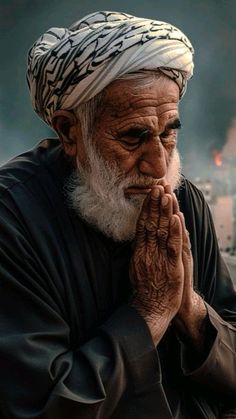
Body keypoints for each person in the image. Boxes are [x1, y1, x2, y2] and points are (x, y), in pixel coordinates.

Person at [0, 10, 235, 419]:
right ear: (70, 132)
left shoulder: (181, 201)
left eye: (168, 133)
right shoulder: (12, 219)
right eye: (133, 136)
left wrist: (191, 311)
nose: (159, 165)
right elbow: (37, 406)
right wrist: (150, 313)